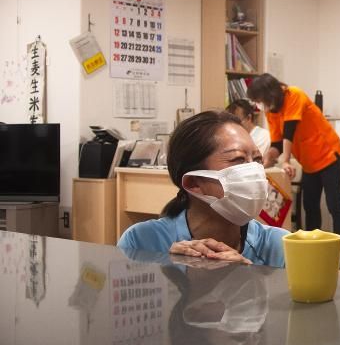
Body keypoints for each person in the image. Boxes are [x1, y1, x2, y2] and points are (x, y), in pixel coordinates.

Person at [117, 110, 289, 267]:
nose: (254, 171)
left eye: (258, 160)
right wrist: (172, 273)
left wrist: (246, 277)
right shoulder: (142, 242)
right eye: (238, 160)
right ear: (193, 183)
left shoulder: (279, 245)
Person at [247, 73, 340, 267]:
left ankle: (339, 256)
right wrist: (265, 160)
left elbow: (289, 132)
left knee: (335, 206)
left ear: (269, 94)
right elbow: (277, 143)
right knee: (310, 206)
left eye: (260, 100)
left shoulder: (294, 95)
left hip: (328, 155)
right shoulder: (271, 111)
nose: (260, 105)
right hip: (309, 162)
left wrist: (285, 161)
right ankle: (313, 250)